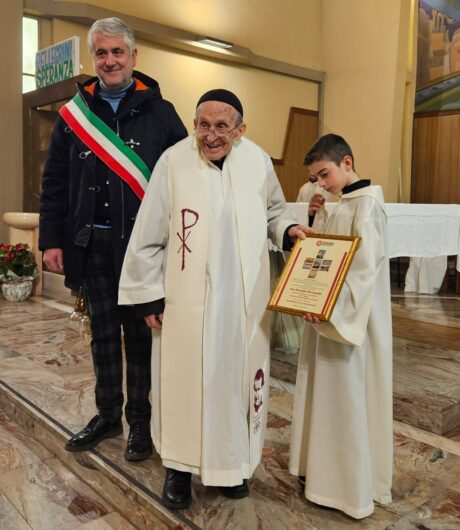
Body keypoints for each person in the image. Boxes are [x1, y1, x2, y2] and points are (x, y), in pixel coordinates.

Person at [118, 89, 313, 509]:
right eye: (202, 125)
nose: (210, 135)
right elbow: (148, 235)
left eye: (221, 126)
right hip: (187, 304)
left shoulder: (257, 161)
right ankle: (179, 470)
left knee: (234, 384)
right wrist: (150, 298)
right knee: (183, 383)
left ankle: (229, 467)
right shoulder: (174, 162)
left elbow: (274, 212)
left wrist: (289, 231)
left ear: (240, 130)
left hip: (243, 302)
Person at [39, 17, 187, 462]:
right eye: (101, 53)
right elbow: (55, 182)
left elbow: (185, 179)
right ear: (93, 59)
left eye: (117, 52)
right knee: (102, 336)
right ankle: (107, 415)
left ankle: (140, 424)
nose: (110, 61)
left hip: (142, 250)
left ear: (134, 56)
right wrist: (52, 240)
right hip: (92, 245)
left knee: (140, 336)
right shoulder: (73, 116)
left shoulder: (162, 113)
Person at [289, 134, 393, 519]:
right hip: (328, 314)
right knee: (324, 392)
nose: (321, 183)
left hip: (353, 322)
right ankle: (319, 472)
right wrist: (314, 223)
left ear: (346, 163)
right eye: (316, 178)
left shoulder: (367, 206)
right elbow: (327, 253)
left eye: (324, 174)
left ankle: (347, 487)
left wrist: (329, 305)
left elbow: (363, 272)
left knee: (348, 395)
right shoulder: (340, 201)